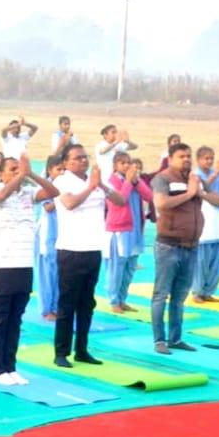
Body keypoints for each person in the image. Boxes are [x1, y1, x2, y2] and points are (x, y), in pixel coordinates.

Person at [0, 154, 59, 383]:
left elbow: (53, 192)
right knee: (0, 319)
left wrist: (32, 174)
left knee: (16, 318)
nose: (17, 173)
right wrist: (23, 176)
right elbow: (2, 195)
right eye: (13, 170)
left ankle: (11, 365)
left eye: (19, 169)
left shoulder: (28, 193)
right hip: (2, 264)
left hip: (24, 264)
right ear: (0, 174)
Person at [52, 144, 125, 367]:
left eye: (85, 157)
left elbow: (120, 202)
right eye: (77, 158)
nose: (83, 161)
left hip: (93, 249)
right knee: (67, 304)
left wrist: (100, 184)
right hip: (71, 250)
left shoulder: (94, 182)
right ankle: (61, 352)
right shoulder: (61, 181)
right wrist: (89, 188)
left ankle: (82, 349)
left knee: (87, 303)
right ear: (65, 162)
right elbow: (70, 203)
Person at [150, 143, 204, 355]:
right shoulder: (162, 179)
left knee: (180, 296)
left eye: (189, 156)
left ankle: (176, 338)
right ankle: (159, 340)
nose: (187, 159)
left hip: (190, 246)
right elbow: (161, 204)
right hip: (168, 246)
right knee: (161, 294)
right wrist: (190, 193)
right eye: (182, 156)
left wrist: (199, 191)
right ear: (171, 158)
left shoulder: (192, 178)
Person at [104, 152, 151, 312]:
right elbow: (121, 199)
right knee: (117, 266)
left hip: (136, 229)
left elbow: (149, 196)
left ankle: (123, 298)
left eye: (128, 163)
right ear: (115, 165)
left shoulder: (134, 181)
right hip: (120, 229)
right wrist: (130, 182)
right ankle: (113, 300)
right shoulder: (112, 181)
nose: (126, 166)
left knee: (130, 267)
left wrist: (136, 181)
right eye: (122, 163)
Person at [191, 147, 219, 303]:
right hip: (204, 220)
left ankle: (209, 291)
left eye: (211, 158)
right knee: (201, 260)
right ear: (198, 160)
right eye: (206, 158)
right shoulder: (194, 175)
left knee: (216, 259)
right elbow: (202, 190)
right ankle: (197, 291)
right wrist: (216, 173)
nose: (209, 161)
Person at [35, 157, 65, 320]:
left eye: (63, 169)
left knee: (59, 273)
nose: (61, 173)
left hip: (62, 233)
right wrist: (60, 197)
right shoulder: (45, 187)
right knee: (47, 273)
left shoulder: (66, 185)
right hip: (47, 234)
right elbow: (47, 207)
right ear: (49, 170)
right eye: (58, 169)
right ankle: (46, 309)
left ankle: (56, 306)